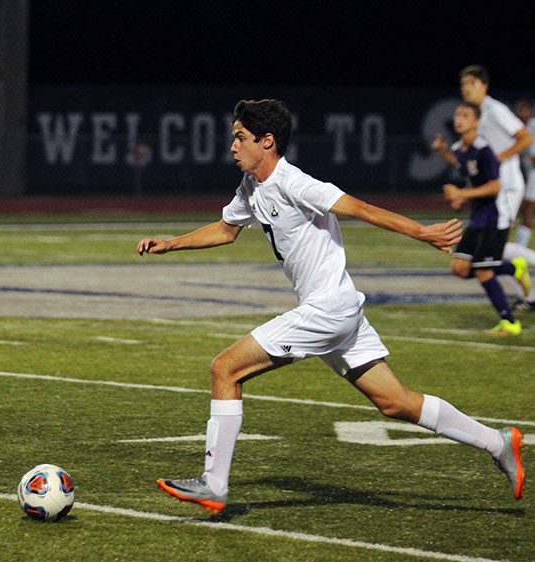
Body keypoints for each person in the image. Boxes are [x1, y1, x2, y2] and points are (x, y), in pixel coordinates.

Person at [138, 99, 526, 514]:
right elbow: (226, 229)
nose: (233, 146)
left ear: (266, 142)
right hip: (339, 309)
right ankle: (495, 441)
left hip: (327, 309)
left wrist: (423, 232)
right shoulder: (252, 186)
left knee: (224, 368)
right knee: (395, 402)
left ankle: (214, 484)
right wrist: (171, 243)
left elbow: (360, 208)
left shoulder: (295, 183)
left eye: (240, 138)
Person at [431, 101, 530, 335]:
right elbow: (465, 169)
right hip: (477, 216)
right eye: (457, 114)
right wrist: (444, 152)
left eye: (465, 115)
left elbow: (495, 187)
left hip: (494, 218)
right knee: (460, 268)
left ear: (477, 122)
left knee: (484, 270)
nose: (458, 118)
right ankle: (512, 268)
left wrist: (461, 194)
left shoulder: (485, 150)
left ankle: (510, 323)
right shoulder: (460, 149)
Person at [459, 66, 533, 247]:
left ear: (484, 85)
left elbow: (526, 138)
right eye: (464, 84)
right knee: (485, 248)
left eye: (472, 83)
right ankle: (516, 269)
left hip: (507, 186)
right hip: (492, 187)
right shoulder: (475, 113)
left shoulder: (495, 109)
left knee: (490, 246)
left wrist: (498, 158)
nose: (467, 88)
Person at [512, 98, 535, 248]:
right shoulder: (518, 129)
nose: (521, 113)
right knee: (525, 209)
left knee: (528, 209)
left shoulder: (533, 126)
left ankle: (521, 247)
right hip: (529, 174)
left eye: (524, 109)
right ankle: (521, 245)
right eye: (519, 110)